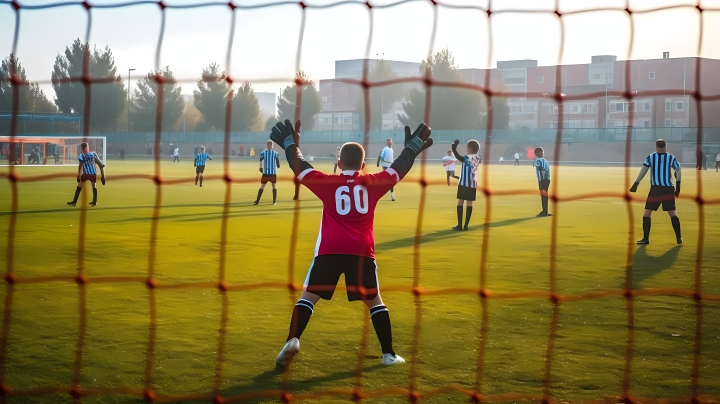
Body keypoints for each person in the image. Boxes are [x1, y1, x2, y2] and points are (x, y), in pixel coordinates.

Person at [270, 119, 433, 368]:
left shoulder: (329, 182)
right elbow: (398, 168)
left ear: (339, 163)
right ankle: (389, 355)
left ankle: (292, 339)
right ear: (364, 165)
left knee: (309, 296)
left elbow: (300, 168)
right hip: (361, 253)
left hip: (329, 251)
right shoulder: (371, 183)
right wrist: (410, 149)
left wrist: (291, 144)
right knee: (374, 301)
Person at [629, 139, 682, 245]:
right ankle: (678, 238)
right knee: (672, 214)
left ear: (656, 146)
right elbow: (678, 169)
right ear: (665, 146)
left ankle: (646, 239)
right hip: (668, 189)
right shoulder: (670, 157)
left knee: (647, 214)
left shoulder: (651, 157)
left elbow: (644, 169)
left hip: (656, 189)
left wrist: (636, 183)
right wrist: (678, 186)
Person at [451, 139, 480, 230]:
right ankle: (466, 226)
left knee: (460, 201)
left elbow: (458, 157)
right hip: (473, 184)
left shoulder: (467, 157)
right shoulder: (478, 158)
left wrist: (454, 147)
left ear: (469, 148)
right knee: (469, 203)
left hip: (464, 183)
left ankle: (460, 225)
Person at [67, 142, 105, 207]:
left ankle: (75, 201)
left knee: (82, 186)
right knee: (91, 186)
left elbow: (81, 167)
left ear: (82, 148)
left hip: (88, 174)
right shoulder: (92, 154)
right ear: (87, 147)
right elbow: (100, 165)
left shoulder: (83, 156)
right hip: (91, 174)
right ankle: (93, 202)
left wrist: (79, 176)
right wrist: (102, 176)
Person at [253, 140, 280, 205]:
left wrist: (278, 164)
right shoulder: (263, 153)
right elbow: (260, 160)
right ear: (266, 146)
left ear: (272, 146)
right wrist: (260, 167)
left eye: (270, 146)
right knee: (262, 186)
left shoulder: (275, 153)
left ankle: (274, 201)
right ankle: (257, 201)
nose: (269, 147)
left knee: (273, 186)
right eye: (268, 146)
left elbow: (277, 161)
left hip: (273, 173)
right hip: (265, 173)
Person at [534, 147, 552, 217]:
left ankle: (545, 212)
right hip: (547, 179)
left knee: (543, 195)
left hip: (542, 180)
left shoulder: (538, 160)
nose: (542, 153)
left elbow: (540, 168)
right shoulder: (545, 160)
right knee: (545, 195)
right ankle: (546, 211)